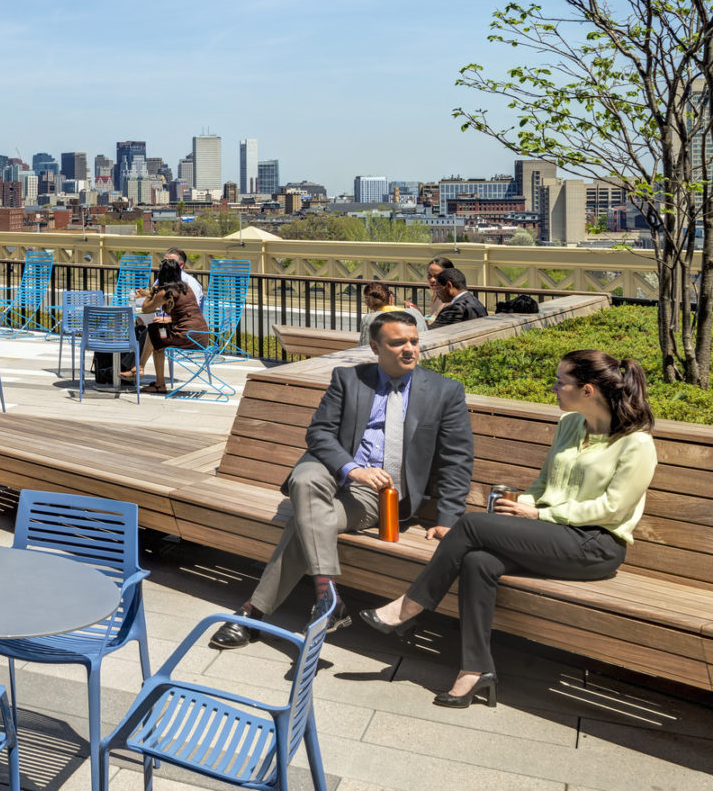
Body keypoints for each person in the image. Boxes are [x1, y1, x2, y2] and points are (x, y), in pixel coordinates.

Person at [359, 350, 656, 708]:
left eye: (561, 382)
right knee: (478, 562)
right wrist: (521, 507)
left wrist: (539, 517)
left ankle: (409, 608)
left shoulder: (636, 443)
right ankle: (474, 671)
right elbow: (543, 485)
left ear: (588, 390)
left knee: (470, 524)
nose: (554, 388)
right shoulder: (569, 426)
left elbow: (613, 509)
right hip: (552, 534)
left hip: (596, 545)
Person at [209, 311, 474, 649]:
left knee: (306, 521)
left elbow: (457, 459)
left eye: (414, 341)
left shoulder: (444, 391)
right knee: (304, 481)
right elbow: (319, 433)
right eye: (397, 343)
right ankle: (327, 594)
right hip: (336, 471)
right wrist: (352, 469)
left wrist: (448, 518)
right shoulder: (349, 379)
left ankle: (254, 613)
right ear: (375, 347)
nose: (409, 349)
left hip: (379, 495)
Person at [128, 259, 210, 394]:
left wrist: (153, 291)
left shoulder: (165, 291)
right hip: (201, 335)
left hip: (186, 336)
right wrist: (152, 294)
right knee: (157, 331)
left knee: (155, 334)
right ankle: (143, 369)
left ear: (162, 274)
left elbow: (146, 308)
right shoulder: (185, 288)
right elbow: (181, 309)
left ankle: (150, 376)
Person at [360, 281, 425, 344]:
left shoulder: (370, 319)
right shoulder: (415, 312)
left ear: (368, 304)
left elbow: (364, 346)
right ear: (391, 298)